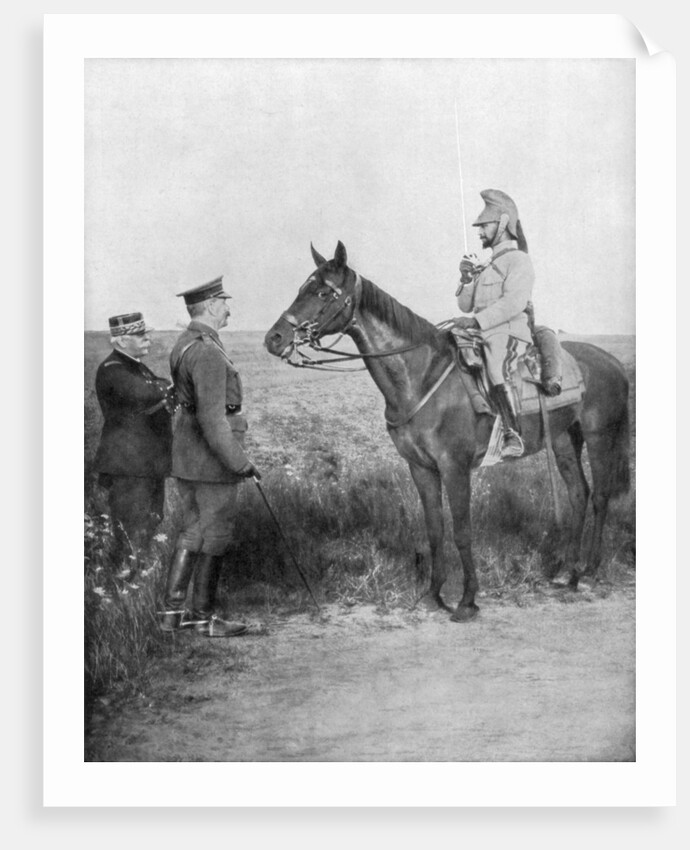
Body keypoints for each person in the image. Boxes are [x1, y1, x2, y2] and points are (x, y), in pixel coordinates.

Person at [159, 276, 260, 638]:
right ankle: (203, 618)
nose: (229, 309)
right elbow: (212, 418)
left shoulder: (186, 343)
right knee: (214, 534)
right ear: (212, 306)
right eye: (225, 302)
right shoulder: (207, 351)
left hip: (188, 457)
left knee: (192, 531)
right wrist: (240, 463)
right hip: (212, 462)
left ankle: (170, 615)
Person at [454, 189, 535, 459]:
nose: (479, 232)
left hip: (509, 333)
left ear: (502, 223)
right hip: (481, 331)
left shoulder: (519, 261)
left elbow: (514, 302)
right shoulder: (486, 266)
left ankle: (514, 435)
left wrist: (477, 320)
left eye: (484, 226)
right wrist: (466, 278)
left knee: (496, 360)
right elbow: (465, 306)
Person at [94, 312, 174, 575]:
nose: (147, 339)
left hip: (144, 463)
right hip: (128, 466)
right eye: (141, 335)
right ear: (120, 341)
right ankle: (121, 586)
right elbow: (148, 392)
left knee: (150, 521)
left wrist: (163, 388)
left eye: (146, 333)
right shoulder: (114, 369)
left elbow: (157, 388)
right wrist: (167, 388)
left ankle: (134, 581)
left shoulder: (134, 366)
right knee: (130, 530)